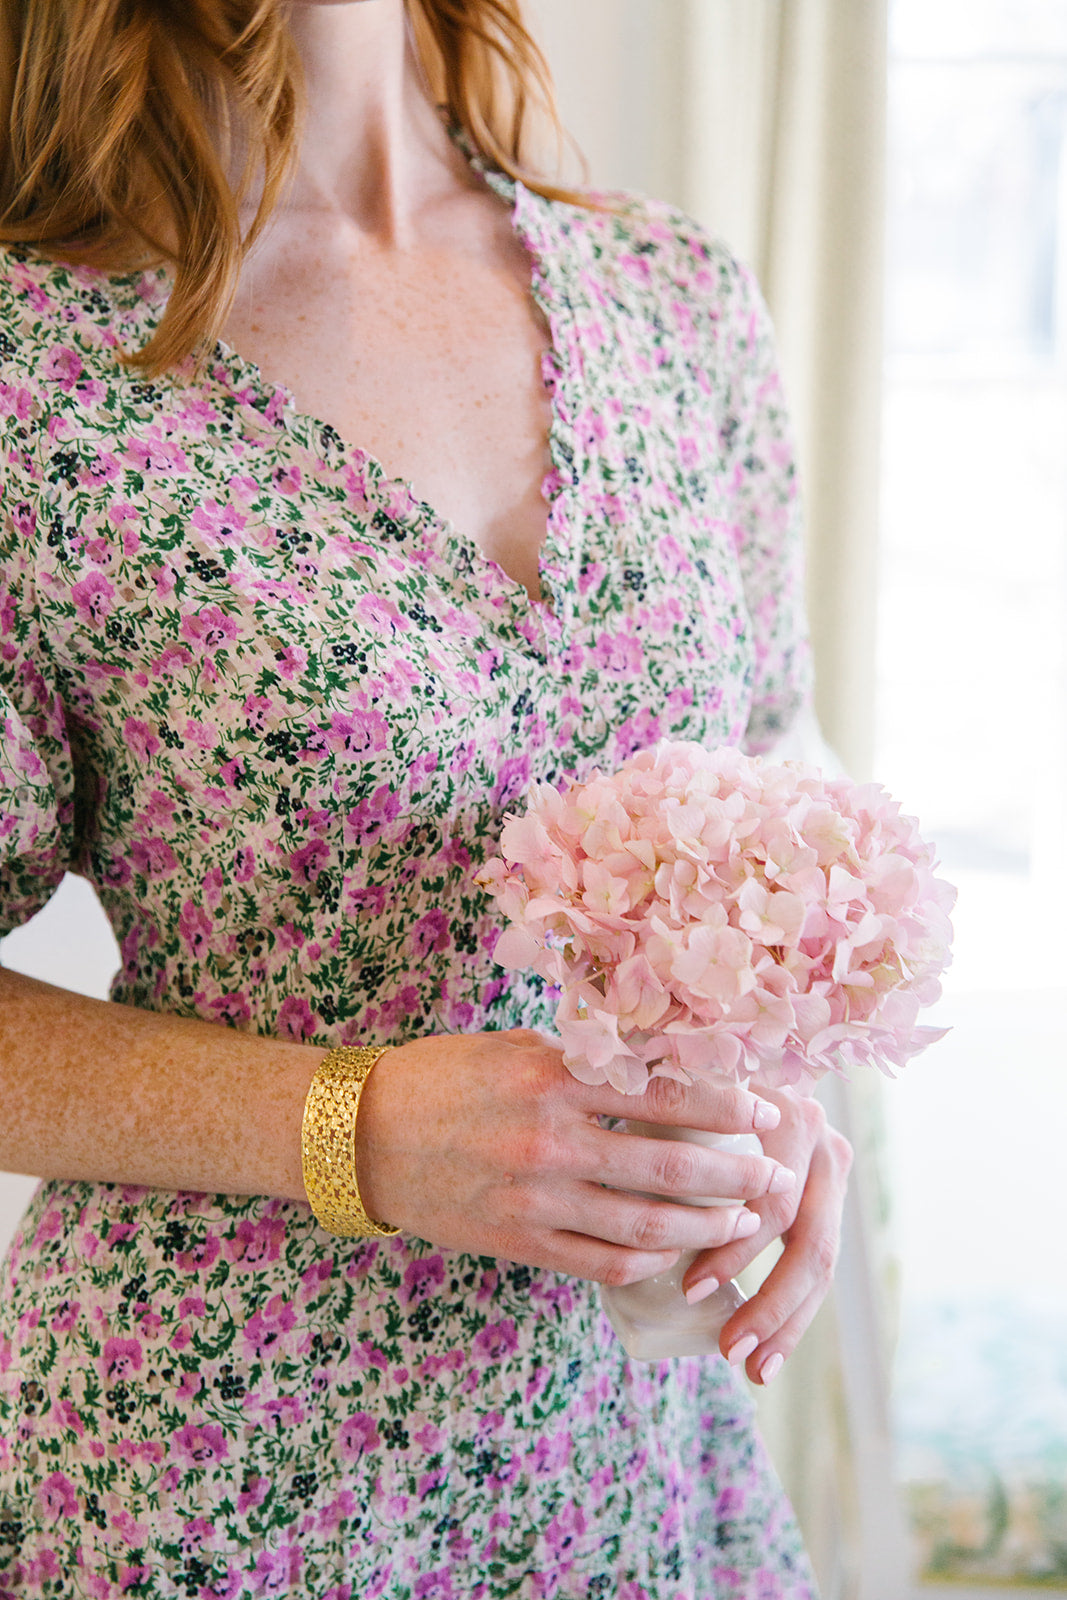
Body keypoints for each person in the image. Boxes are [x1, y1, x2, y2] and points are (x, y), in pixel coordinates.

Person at [0, 1, 853, 1595]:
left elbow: (763, 792)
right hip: (224, 1474)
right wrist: (359, 1129)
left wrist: (772, 1111)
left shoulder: (672, 295)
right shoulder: (30, 383)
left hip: (632, 1454)